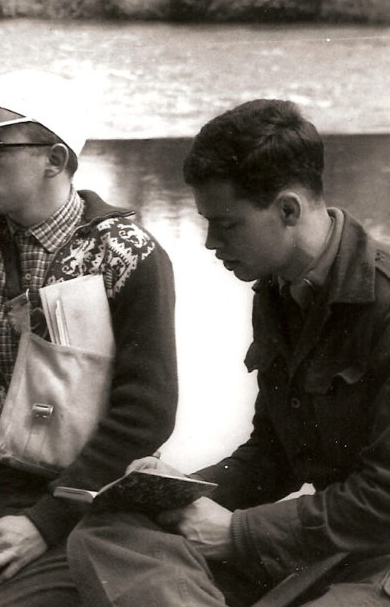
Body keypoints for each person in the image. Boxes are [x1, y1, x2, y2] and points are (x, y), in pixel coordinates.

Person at [67, 99, 390, 606]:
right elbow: (274, 454)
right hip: (322, 542)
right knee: (109, 530)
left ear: (288, 210)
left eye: (227, 224)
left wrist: (238, 532)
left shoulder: (384, 302)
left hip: (378, 554)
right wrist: (177, 493)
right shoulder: (279, 291)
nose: (210, 242)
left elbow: (384, 498)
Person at [0, 71, 179, 605]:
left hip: (86, 501)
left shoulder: (128, 257)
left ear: (55, 160)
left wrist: (45, 521)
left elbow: (146, 414)